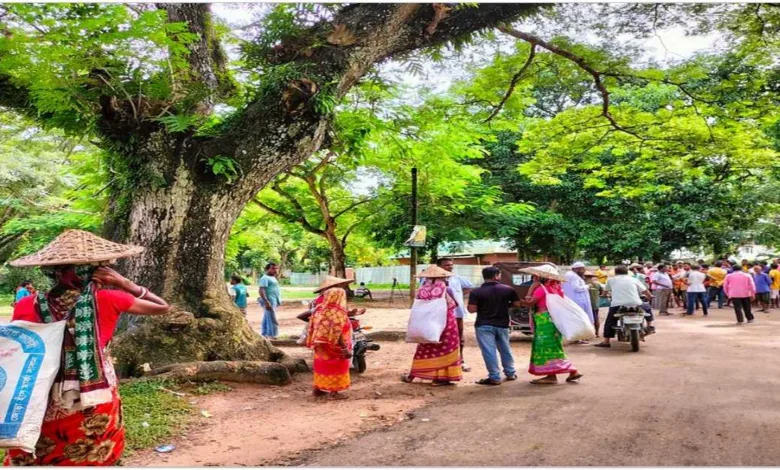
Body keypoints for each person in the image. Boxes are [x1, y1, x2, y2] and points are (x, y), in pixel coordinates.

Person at [4, 229, 170, 466]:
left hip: (38, 392)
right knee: (93, 450)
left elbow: (19, 350)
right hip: (93, 391)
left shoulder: (26, 303)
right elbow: (162, 307)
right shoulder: (110, 298)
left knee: (42, 452)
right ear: (98, 271)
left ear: (49, 272)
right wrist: (125, 283)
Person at [519, 264, 582, 384]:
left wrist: (531, 289)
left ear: (539, 277)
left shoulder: (540, 289)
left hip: (544, 321)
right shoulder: (557, 289)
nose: (533, 277)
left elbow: (529, 303)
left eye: (535, 276)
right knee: (553, 346)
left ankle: (570, 370)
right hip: (554, 320)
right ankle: (553, 375)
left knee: (546, 347)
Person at [402, 266, 462, 386]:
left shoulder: (421, 290)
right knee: (446, 348)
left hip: (427, 325)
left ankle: (412, 375)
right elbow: (454, 305)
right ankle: (439, 378)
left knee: (425, 348)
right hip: (446, 323)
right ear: (442, 277)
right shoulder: (447, 290)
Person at [467, 266, 519, 386]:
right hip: (502, 324)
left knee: (489, 351)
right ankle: (510, 373)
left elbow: (471, 309)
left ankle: (495, 377)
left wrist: (483, 306)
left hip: (483, 324)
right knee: (505, 349)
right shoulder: (508, 289)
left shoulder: (476, 292)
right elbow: (517, 304)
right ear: (496, 276)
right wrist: (505, 305)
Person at [307, 276, 355, 399]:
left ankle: (318, 388)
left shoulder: (320, 309)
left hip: (320, 345)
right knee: (337, 366)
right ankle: (334, 392)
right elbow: (337, 332)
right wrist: (344, 348)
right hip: (336, 346)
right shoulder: (337, 312)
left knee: (321, 365)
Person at [595, 264, 656, 348]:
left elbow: (605, 292)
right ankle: (649, 325)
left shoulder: (610, 280)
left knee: (610, 321)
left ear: (616, 273)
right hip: (635, 303)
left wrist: (603, 295)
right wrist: (650, 296)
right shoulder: (633, 279)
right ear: (627, 272)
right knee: (647, 308)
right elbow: (645, 290)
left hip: (617, 305)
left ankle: (606, 341)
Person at [434, 258, 474, 371]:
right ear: (439, 266)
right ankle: (440, 361)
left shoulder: (456, 277)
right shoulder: (430, 279)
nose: (450, 267)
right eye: (447, 265)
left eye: (451, 265)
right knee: (440, 337)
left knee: (459, 336)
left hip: (457, 312)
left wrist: (459, 294)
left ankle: (461, 360)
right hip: (438, 313)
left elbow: (469, 286)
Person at [563, 262, 594, 327]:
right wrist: (587, 286)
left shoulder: (568, 274)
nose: (583, 271)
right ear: (577, 269)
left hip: (571, 300)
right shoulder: (574, 276)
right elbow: (576, 288)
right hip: (578, 300)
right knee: (581, 317)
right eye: (582, 269)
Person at [258, 263, 282, 339]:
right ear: (267, 269)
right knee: (272, 318)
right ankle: (273, 335)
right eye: (273, 268)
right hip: (269, 301)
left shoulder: (272, 277)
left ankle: (264, 334)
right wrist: (266, 302)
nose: (275, 270)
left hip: (273, 300)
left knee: (267, 317)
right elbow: (261, 290)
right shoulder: (265, 278)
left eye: (276, 268)